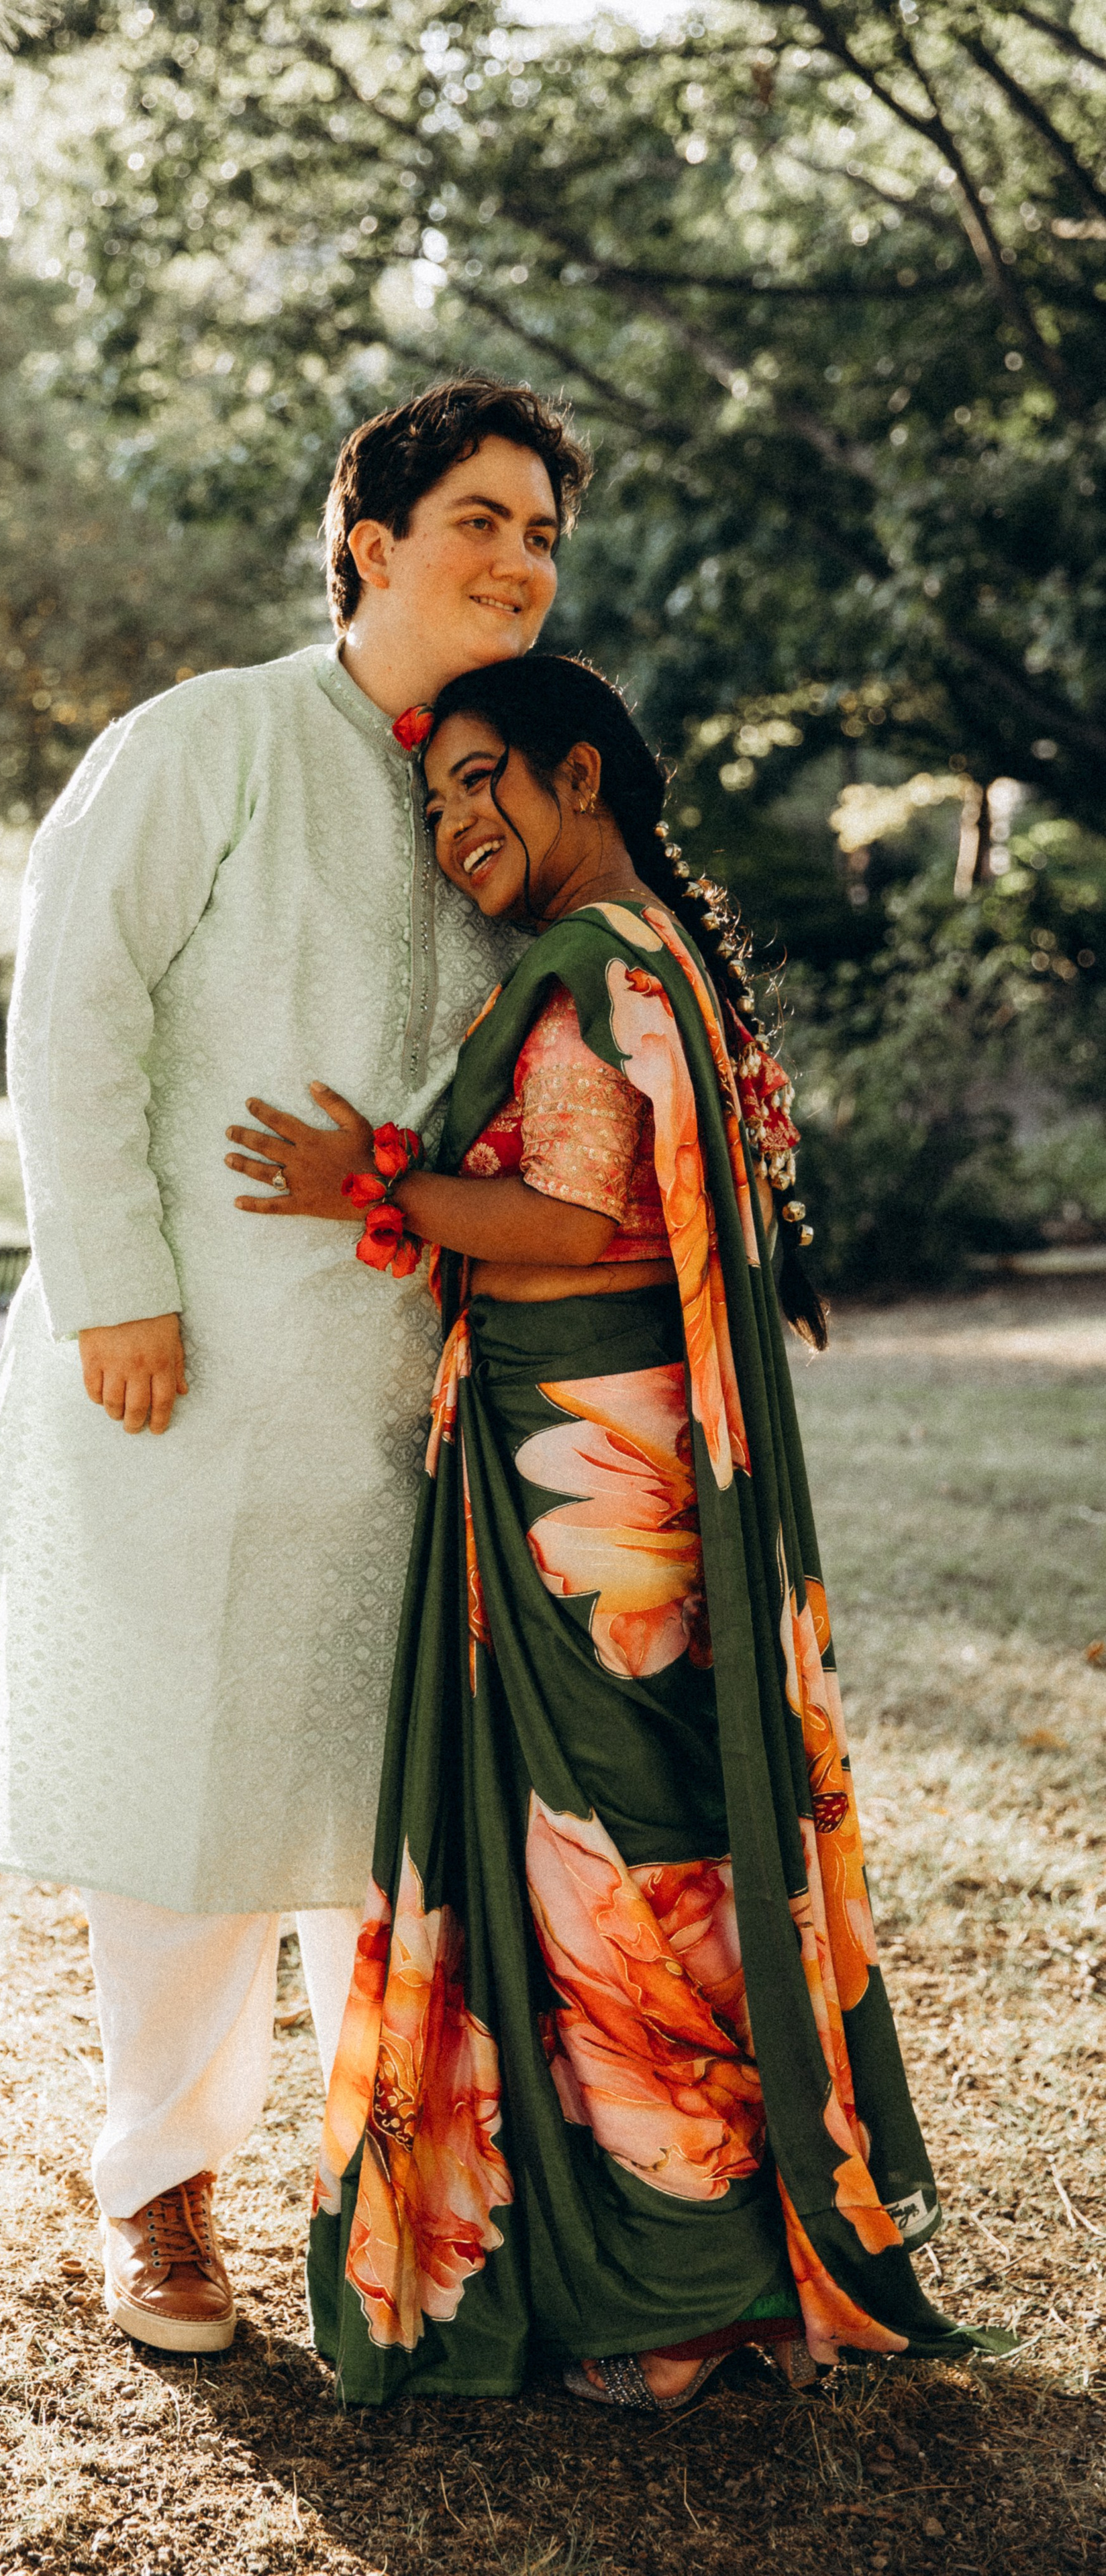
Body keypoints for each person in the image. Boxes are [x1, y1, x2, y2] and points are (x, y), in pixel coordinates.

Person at [224, 655, 1007, 2408]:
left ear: (584, 775)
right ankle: (702, 2255)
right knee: (651, 1835)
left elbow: (573, 1223)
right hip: (638, 1461)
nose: (454, 825)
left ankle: (674, 2283)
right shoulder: (660, 959)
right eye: (433, 802)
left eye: (484, 779)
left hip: (590, 1476)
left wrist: (373, 1180)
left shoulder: (593, 968)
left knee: (608, 1851)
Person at [0, 378, 593, 2354]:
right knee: (188, 1803)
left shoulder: (511, 785)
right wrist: (115, 1280)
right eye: (481, 518)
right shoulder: (204, 739)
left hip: (413, 1389)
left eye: (545, 533)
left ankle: (393, 2192)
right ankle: (161, 2191)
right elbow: (77, 1005)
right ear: (368, 541)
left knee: (382, 1816)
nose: (521, 561)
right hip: (184, 1367)